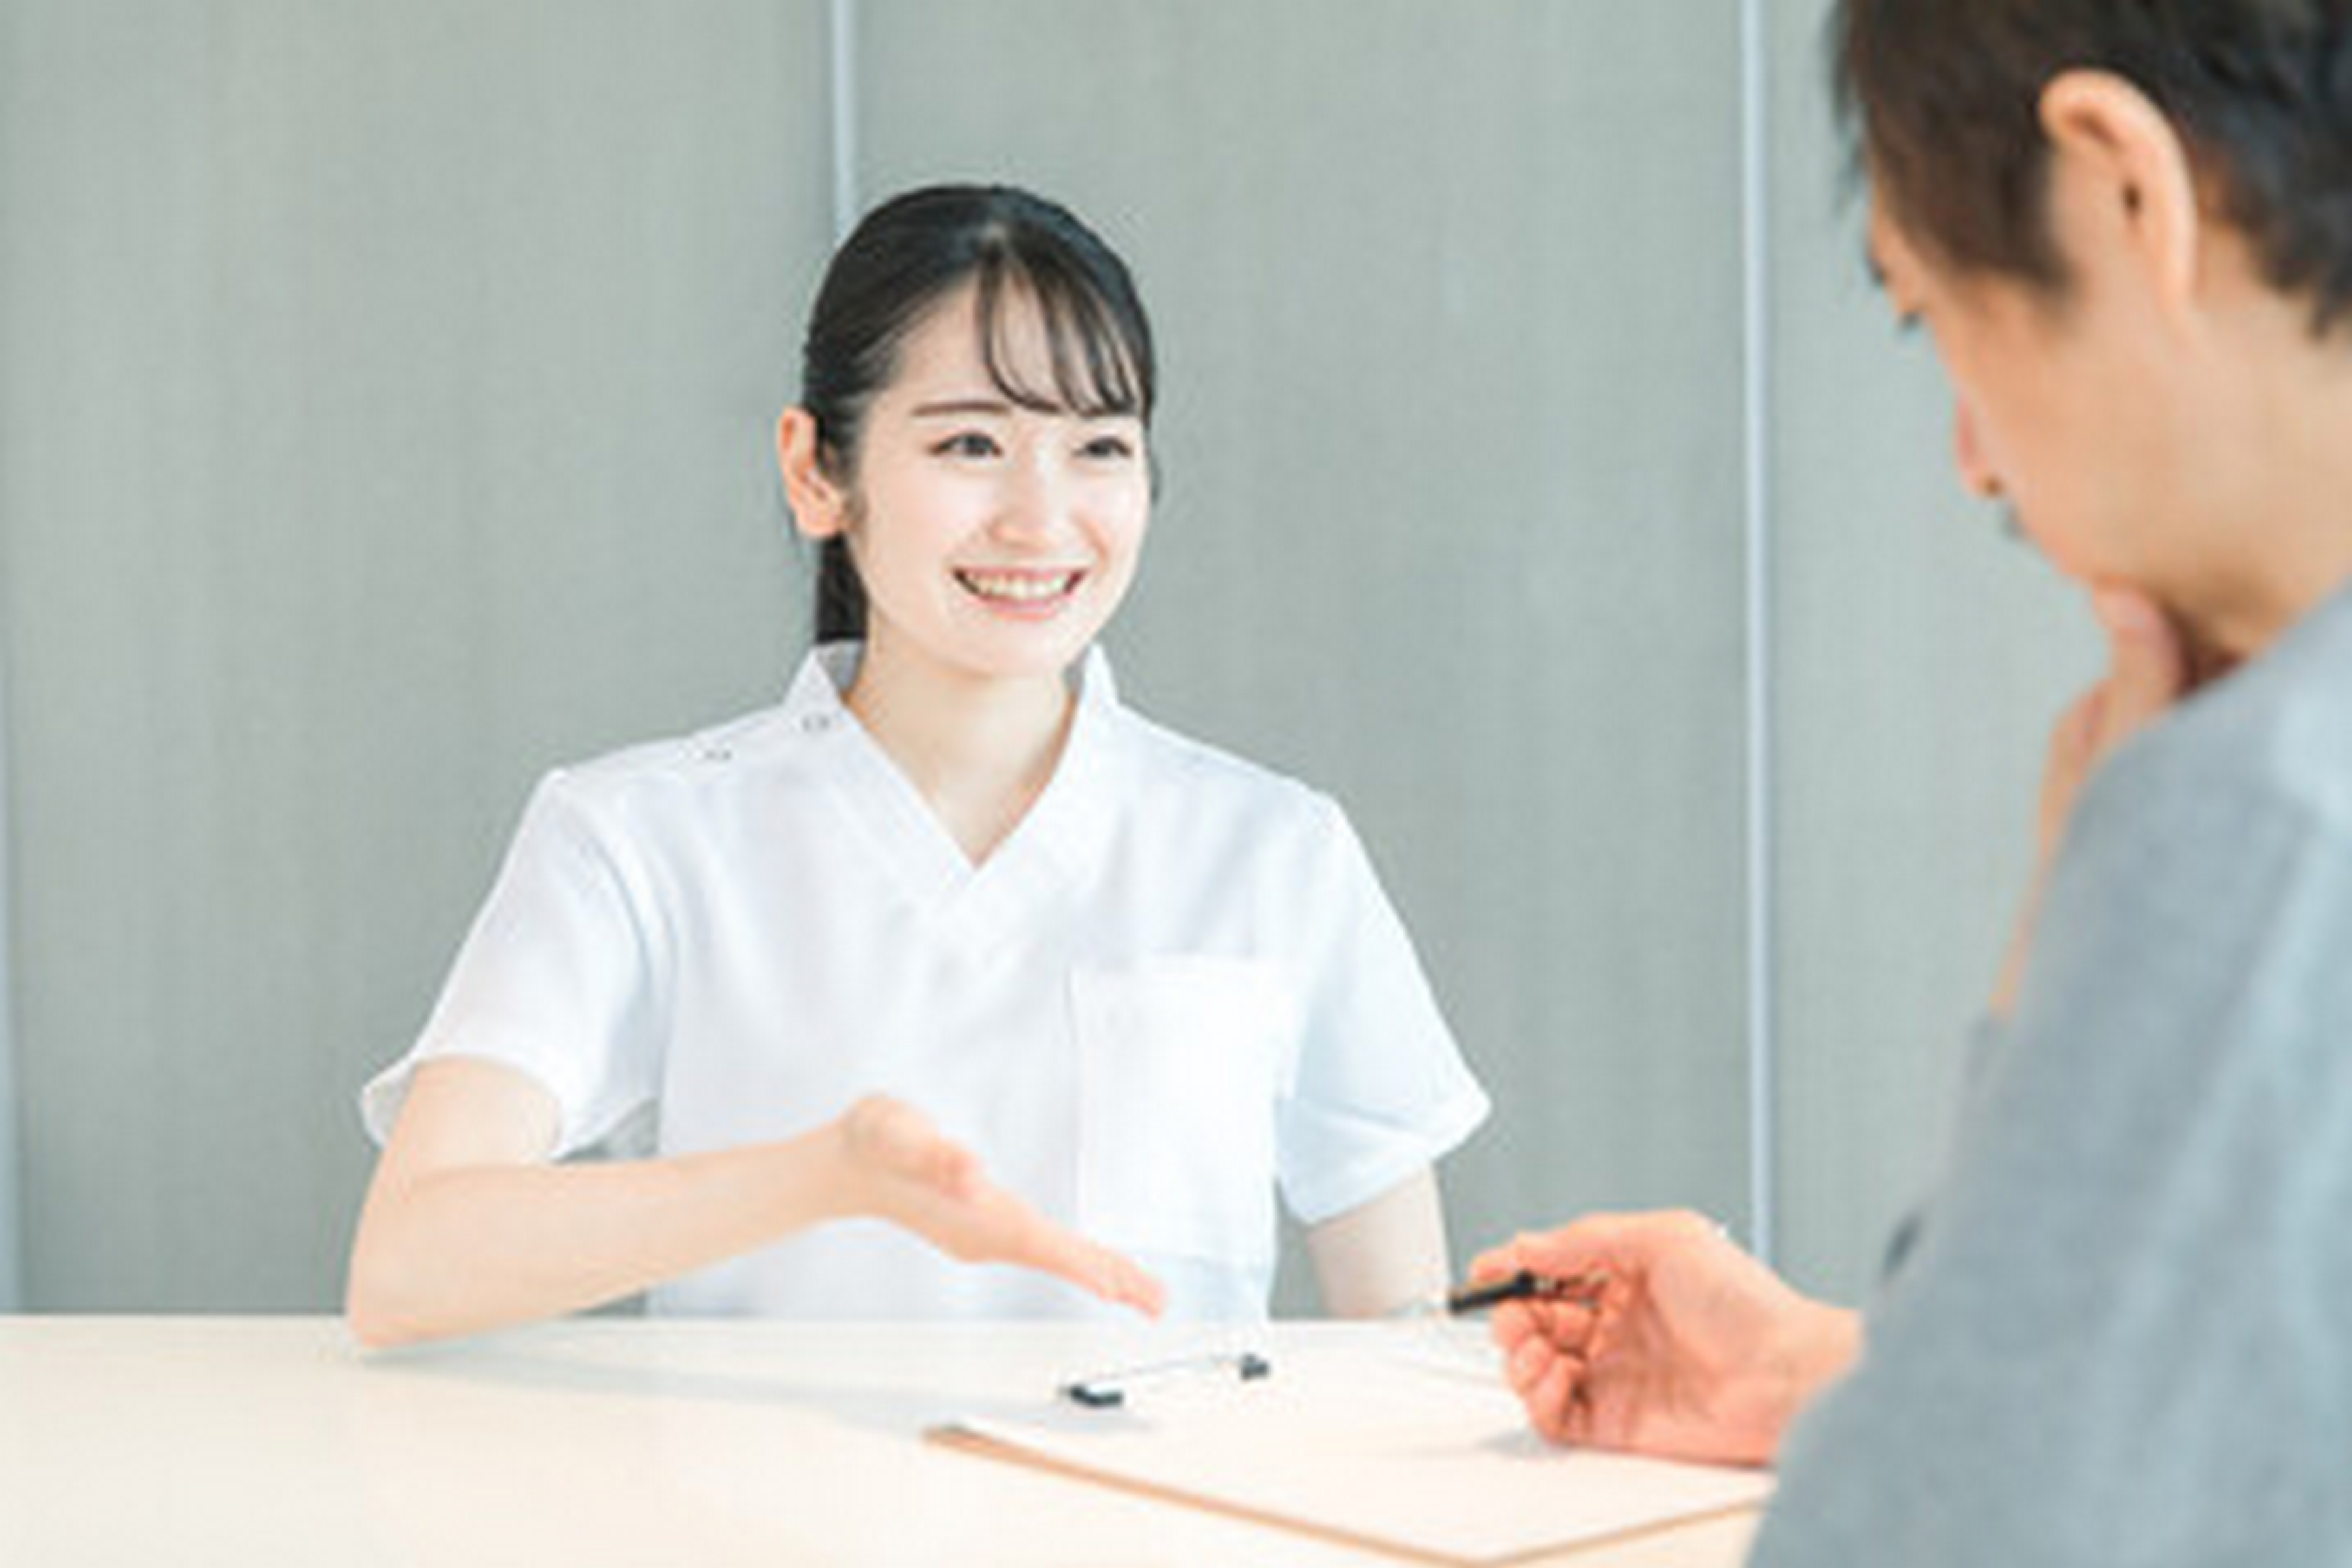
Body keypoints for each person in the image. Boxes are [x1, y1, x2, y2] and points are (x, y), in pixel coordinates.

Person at [1479, 2, 2352, 1561]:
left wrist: (2070, 978)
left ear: (2118, 193)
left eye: (1924, 310)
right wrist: (1822, 1367)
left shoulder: (2257, 811)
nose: (1973, 457)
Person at [346, 184, 1488, 1347]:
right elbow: (408, 1267)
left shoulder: (1274, 851)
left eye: (1099, 447)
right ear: (816, 472)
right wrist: (827, 1176)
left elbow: (1401, 1333)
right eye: (971, 445)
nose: (1042, 520)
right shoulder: (639, 835)